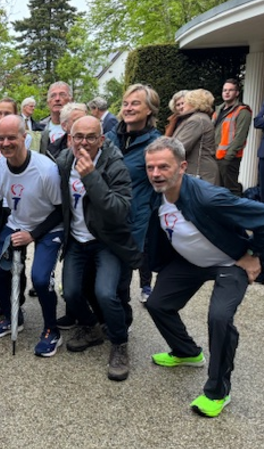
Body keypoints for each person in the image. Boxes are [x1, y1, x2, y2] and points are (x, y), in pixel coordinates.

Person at [143, 136, 264, 417]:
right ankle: (187, 352)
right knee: (157, 304)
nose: (155, 174)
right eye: (151, 167)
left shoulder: (209, 197)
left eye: (164, 167)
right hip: (191, 262)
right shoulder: (156, 192)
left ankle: (217, 392)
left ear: (182, 167)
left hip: (230, 262)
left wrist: (255, 254)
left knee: (220, 318)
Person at [56, 116, 141, 381]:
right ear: (70, 139)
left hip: (107, 242)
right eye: (78, 136)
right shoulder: (63, 161)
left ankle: (119, 343)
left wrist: (91, 177)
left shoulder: (114, 164)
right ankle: (90, 327)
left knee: (105, 293)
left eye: (91, 137)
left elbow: (119, 210)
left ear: (101, 140)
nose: (84, 142)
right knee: (70, 293)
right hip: (77, 241)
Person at [0, 116, 64, 355]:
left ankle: (51, 330)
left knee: (40, 279)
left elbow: (61, 211)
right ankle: (12, 316)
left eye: (11, 137)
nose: (6, 143)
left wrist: (33, 234)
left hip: (48, 227)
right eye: (1, 138)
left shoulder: (45, 170)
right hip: (16, 223)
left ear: (24, 137)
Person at [105, 84, 161, 305]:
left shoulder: (156, 144)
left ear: (149, 109)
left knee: (120, 279)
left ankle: (120, 325)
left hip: (133, 220)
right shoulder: (109, 137)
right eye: (125, 103)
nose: (128, 108)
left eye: (135, 103)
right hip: (104, 216)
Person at [212, 79, 252, 196]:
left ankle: (238, 213)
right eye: (225, 90)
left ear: (237, 93)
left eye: (231, 90)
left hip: (229, 158)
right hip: (216, 156)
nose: (227, 93)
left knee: (231, 190)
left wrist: (229, 156)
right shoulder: (218, 110)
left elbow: (240, 136)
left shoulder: (242, 111)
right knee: (217, 189)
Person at [172, 89, 219, 185]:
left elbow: (179, 147)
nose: (183, 105)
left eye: (187, 101)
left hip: (199, 173)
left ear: (195, 102)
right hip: (201, 173)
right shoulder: (199, 118)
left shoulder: (197, 120)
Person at [40, 81, 73, 158]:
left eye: (62, 95)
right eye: (53, 95)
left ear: (71, 100)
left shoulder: (79, 126)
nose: (57, 99)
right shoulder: (39, 129)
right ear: (48, 102)